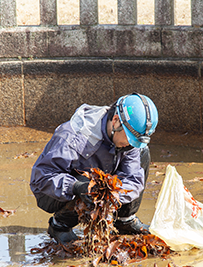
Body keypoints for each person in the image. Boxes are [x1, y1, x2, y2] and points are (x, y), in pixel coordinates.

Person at [30, 93, 159, 244]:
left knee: (142, 153)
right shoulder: (73, 136)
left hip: (101, 178)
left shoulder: (130, 140)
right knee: (89, 181)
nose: (131, 145)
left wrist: (111, 197)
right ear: (116, 120)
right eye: (130, 139)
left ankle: (124, 220)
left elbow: (133, 179)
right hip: (55, 190)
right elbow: (41, 178)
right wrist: (75, 187)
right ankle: (60, 226)